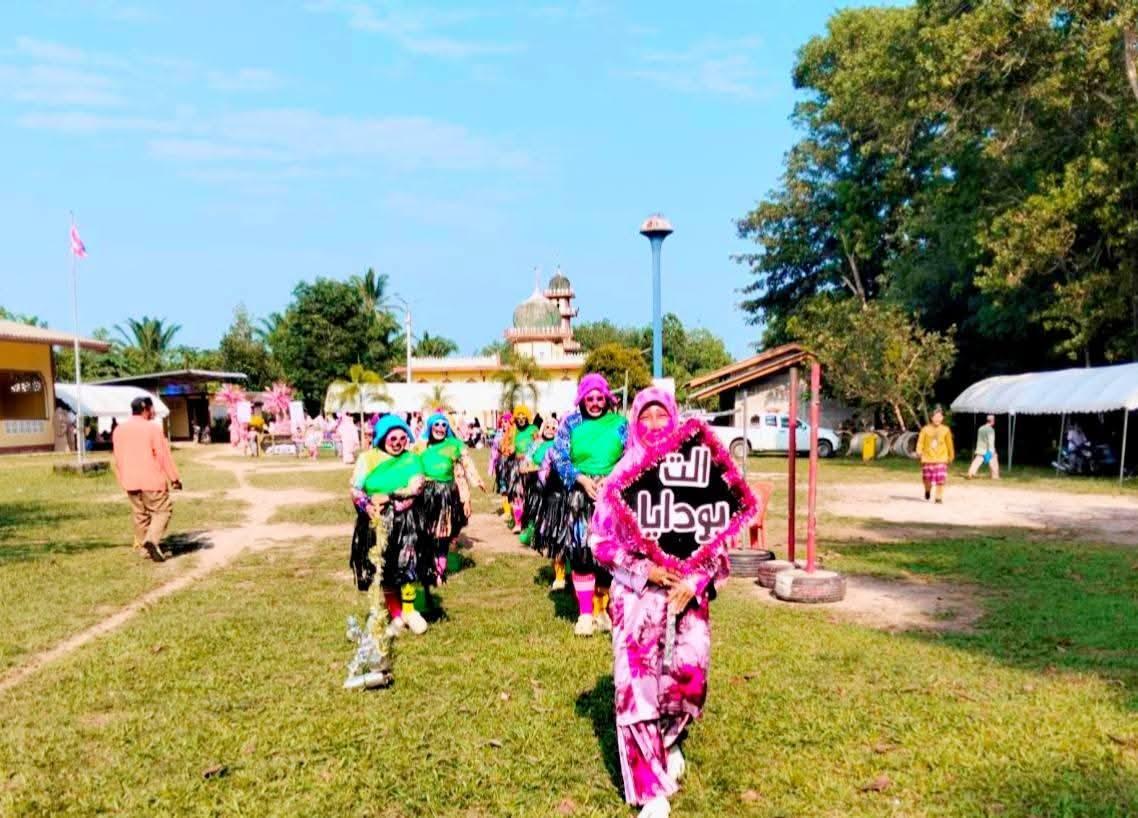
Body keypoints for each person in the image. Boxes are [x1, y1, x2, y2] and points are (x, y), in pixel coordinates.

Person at [590, 387, 730, 818]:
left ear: (674, 419)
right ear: (634, 423)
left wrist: (697, 579)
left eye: (661, 415)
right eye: (645, 417)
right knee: (637, 691)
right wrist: (643, 569)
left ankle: (667, 740)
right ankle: (650, 789)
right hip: (636, 598)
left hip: (687, 598)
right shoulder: (621, 478)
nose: (653, 425)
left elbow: (720, 538)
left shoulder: (698, 473)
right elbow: (598, 541)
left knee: (688, 679)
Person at [549, 373, 628, 637]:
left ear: (607, 399)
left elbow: (631, 455)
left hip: (612, 497)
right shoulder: (570, 423)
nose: (595, 403)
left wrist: (611, 478)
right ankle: (584, 614)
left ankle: (602, 610)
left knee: (608, 554)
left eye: (599, 398)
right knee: (581, 552)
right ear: (582, 399)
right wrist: (581, 479)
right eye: (589, 398)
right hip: (579, 497)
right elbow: (559, 456)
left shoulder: (620, 424)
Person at [351, 415, 430, 635]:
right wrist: (367, 506)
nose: (397, 443)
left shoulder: (412, 459)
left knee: (407, 564)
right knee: (384, 566)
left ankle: (410, 611)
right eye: (392, 438)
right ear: (382, 437)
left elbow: (416, 488)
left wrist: (389, 496)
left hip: (406, 521)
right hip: (375, 522)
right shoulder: (367, 459)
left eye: (402, 438)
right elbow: (355, 489)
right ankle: (396, 614)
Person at [417, 412, 485, 585]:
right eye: (436, 424)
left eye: (443, 425)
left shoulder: (454, 445)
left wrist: (473, 487)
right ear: (430, 427)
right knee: (426, 535)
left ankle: (439, 572)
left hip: (445, 496)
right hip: (424, 496)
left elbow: (465, 468)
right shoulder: (420, 446)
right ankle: (427, 567)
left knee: (442, 536)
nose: (440, 428)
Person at [112, 396, 182, 561]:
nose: (154, 412)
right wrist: (174, 478)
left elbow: (117, 457)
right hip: (151, 479)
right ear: (145, 409)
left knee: (140, 515)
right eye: (152, 408)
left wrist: (122, 478)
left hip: (130, 480)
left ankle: (145, 550)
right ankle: (151, 541)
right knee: (163, 510)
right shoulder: (152, 428)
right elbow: (163, 455)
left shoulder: (119, 430)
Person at [518, 415, 558, 548]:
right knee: (533, 507)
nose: (550, 430)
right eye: (547, 427)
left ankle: (546, 536)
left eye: (553, 428)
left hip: (551, 484)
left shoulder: (558, 445)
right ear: (542, 428)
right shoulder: (536, 444)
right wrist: (526, 466)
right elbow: (527, 459)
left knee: (548, 511)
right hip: (535, 482)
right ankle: (530, 532)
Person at [507, 406, 539, 534]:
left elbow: (539, 444)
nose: (521, 419)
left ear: (527, 417)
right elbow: (507, 447)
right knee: (517, 494)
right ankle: (518, 522)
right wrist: (510, 450)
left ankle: (531, 522)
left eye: (523, 416)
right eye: (518, 417)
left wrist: (529, 457)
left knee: (531, 493)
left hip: (531, 466)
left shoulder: (533, 429)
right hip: (517, 466)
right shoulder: (513, 430)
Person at [916, 406, 955, 503]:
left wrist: (951, 456)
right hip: (927, 458)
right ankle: (927, 490)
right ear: (931, 418)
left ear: (942, 418)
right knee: (927, 479)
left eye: (940, 417)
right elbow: (920, 442)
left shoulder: (946, 429)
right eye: (935, 417)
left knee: (941, 479)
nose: (938, 419)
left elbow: (949, 444)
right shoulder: (925, 429)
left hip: (941, 458)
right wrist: (919, 451)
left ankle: (938, 497)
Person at [967, 414, 999, 480]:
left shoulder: (980, 428)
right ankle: (995, 476)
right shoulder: (990, 430)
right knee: (994, 462)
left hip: (980, 449)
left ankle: (970, 473)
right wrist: (992, 450)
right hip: (988, 450)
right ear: (992, 421)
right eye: (994, 420)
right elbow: (991, 441)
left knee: (976, 462)